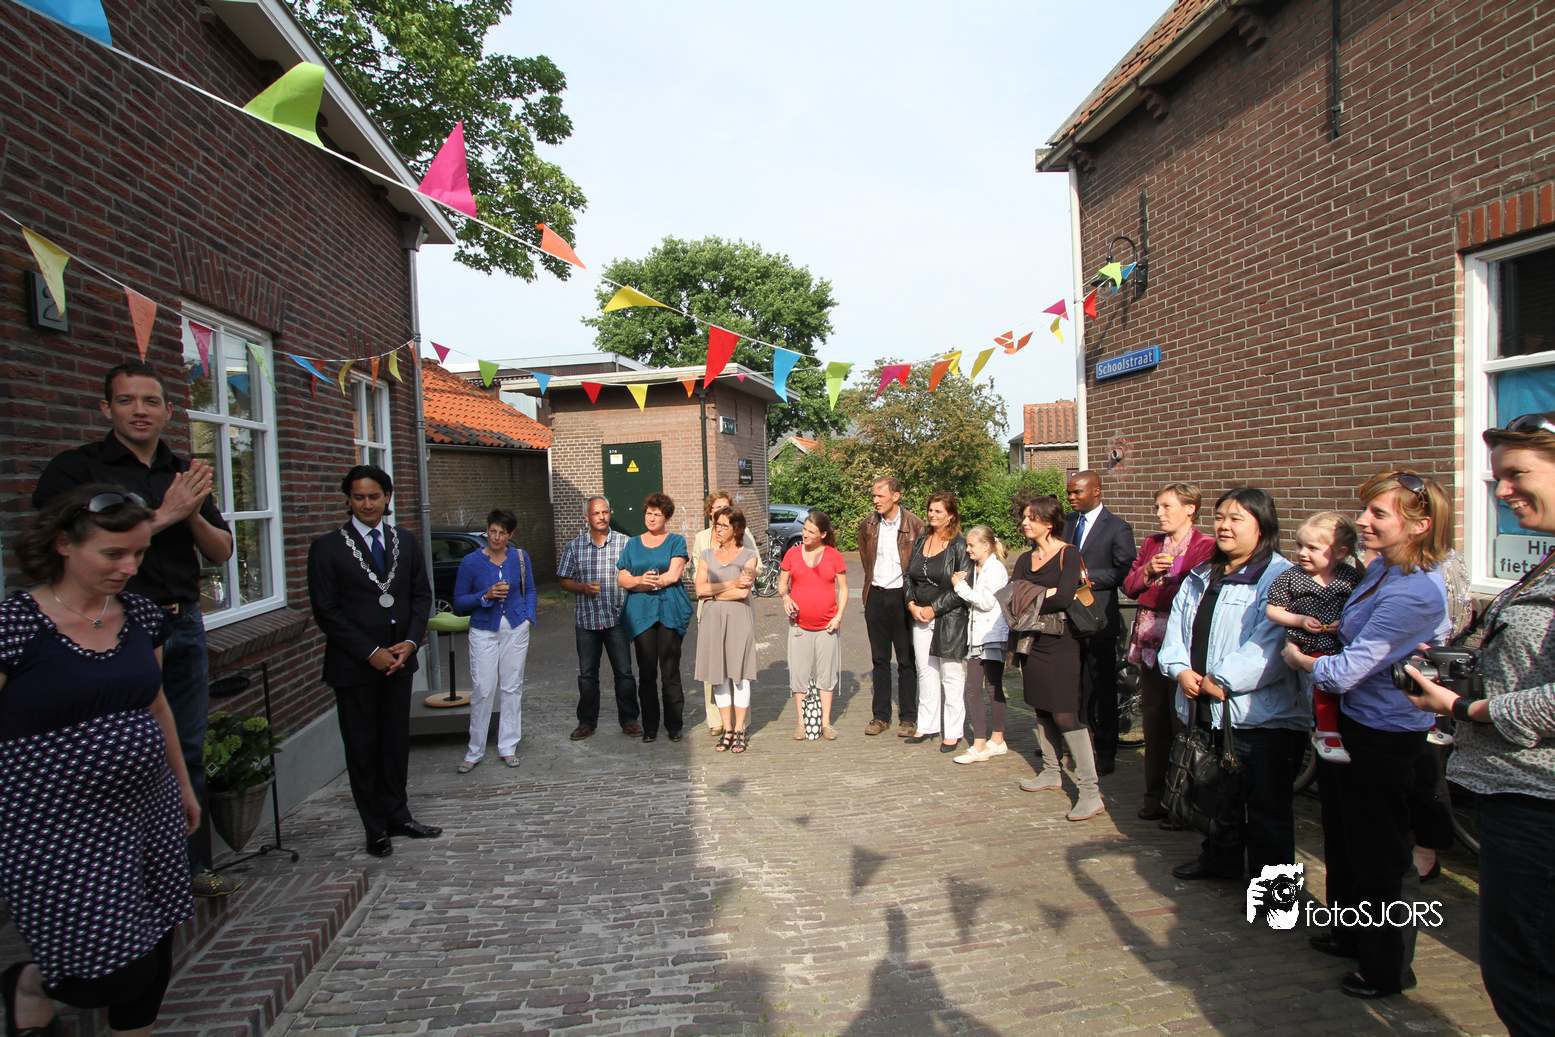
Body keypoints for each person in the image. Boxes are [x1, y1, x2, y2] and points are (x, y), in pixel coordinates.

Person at [32, 361, 235, 897]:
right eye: (126, 401)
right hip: (110, 629)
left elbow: (222, 550)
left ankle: (188, 866)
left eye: (150, 401)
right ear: (107, 408)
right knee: (117, 753)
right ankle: (123, 875)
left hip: (182, 621)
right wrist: (164, 514)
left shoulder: (182, 472)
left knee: (186, 747)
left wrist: (191, 512)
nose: (139, 411)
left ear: (168, 410)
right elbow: (57, 539)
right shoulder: (76, 470)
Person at [0, 486, 198, 1036]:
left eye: (138, 553)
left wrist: (182, 785)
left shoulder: (141, 616)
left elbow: (157, 704)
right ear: (64, 544)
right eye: (113, 554)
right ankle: (29, 983)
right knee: (105, 972)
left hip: (147, 807)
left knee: (155, 945)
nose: (129, 568)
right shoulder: (14, 625)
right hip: (52, 825)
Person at [1400, 413, 1555, 1035]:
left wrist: (1466, 709)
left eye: (1517, 474)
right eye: (1498, 477)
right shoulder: (1545, 564)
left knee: (1526, 978)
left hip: (1538, 798)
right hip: (1513, 791)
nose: (1502, 490)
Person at [1284, 471, 1452, 1000]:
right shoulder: (1381, 568)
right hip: (1352, 723)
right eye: (1366, 510)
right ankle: (1349, 933)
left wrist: (1302, 661)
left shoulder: (1416, 591)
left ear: (1420, 525)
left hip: (1385, 734)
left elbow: (1348, 669)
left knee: (1382, 853)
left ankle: (1386, 966)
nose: (1362, 521)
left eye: (1378, 513)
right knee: (1344, 837)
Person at [1160, 486, 1306, 884]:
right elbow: (1178, 628)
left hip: (1259, 716)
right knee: (1215, 794)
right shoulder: (1201, 574)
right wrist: (1179, 669)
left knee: (1267, 810)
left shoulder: (1281, 578)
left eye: (1236, 519)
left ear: (1262, 526)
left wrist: (1221, 680)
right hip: (1205, 704)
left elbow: (1270, 645)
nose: (1224, 526)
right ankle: (1219, 860)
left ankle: (1276, 902)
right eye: (1220, 517)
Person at [306, 465, 440, 858]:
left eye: (374, 496)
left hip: (400, 662)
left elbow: (420, 596)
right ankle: (374, 826)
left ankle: (398, 814)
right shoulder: (327, 547)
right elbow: (327, 611)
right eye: (359, 497)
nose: (367, 504)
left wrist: (410, 643)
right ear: (348, 499)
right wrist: (370, 652)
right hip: (355, 667)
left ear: (387, 498)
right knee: (362, 747)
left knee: (395, 744)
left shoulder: (406, 541)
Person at [1122, 482, 1217, 824]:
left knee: (1183, 724)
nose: (1159, 513)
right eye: (1157, 507)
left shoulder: (1206, 547)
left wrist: (1155, 589)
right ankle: (1154, 797)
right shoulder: (1151, 544)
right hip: (1150, 645)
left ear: (1190, 509)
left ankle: (1183, 804)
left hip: (1184, 648)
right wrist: (1148, 571)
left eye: (1166, 506)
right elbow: (1130, 587)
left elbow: (1191, 597)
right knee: (1154, 721)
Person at [1011, 495, 1102, 821]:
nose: (1025, 523)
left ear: (1049, 523)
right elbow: (1011, 596)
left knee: (1065, 713)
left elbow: (1064, 598)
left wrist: (1031, 595)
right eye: (1024, 517)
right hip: (1031, 642)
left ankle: (1090, 792)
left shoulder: (1068, 553)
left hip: (1061, 643)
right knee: (1041, 707)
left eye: (1031, 518)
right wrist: (1041, 594)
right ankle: (1051, 771)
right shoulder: (1025, 558)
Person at [1265, 512, 1365, 764]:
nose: (1302, 553)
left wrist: (1344, 623)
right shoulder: (1292, 577)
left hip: (1342, 642)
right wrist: (1299, 620)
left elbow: (1360, 608)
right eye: (1299, 545)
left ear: (1340, 552)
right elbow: (1273, 610)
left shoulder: (1350, 578)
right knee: (1324, 678)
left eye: (1312, 548)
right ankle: (1327, 731)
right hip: (1310, 643)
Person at [1064, 470, 1138, 775]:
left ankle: (1106, 749)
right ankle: (1075, 745)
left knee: (1102, 684)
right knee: (1072, 682)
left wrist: (1090, 578)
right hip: (1068, 615)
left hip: (1099, 617)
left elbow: (1126, 571)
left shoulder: (1117, 528)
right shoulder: (1067, 523)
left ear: (1096, 492)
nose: (1071, 498)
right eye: (1069, 493)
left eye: (1077, 492)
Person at [452, 508, 537, 772]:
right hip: (483, 630)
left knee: (511, 687)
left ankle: (508, 746)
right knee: (483, 689)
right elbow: (458, 601)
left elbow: (530, 589)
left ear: (510, 534)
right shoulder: (471, 562)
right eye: (492, 531)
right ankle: (475, 750)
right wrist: (484, 596)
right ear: (487, 530)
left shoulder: (520, 557)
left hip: (515, 626)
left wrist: (528, 616)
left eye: (502, 533)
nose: (496, 537)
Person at [557, 496, 641, 741]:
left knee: (624, 673)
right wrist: (581, 587)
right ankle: (586, 723)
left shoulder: (625, 543)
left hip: (616, 619)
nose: (601, 517)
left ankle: (629, 720)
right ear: (587, 517)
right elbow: (563, 580)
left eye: (605, 512)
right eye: (596, 513)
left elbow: (635, 576)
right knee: (587, 675)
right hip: (587, 621)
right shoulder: (574, 547)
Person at [617, 493, 692, 742]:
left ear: (666, 518)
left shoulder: (676, 541)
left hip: (669, 610)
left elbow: (673, 575)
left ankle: (674, 725)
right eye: (648, 513)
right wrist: (639, 580)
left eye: (657, 514)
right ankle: (650, 726)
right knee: (646, 671)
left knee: (670, 670)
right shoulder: (632, 544)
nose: (651, 518)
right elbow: (622, 578)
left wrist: (644, 584)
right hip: (641, 614)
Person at [687, 490, 761, 739]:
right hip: (712, 619)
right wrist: (730, 584)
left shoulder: (748, 556)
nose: (717, 528)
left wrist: (714, 593)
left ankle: (739, 729)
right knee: (717, 675)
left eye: (723, 525)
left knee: (739, 675)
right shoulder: (706, 554)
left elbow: (743, 593)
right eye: (716, 523)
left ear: (735, 529)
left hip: (738, 618)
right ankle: (726, 728)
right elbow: (700, 590)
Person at [858, 477, 926, 737]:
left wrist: (914, 598)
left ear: (896, 496)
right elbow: (866, 559)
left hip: (903, 598)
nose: (876, 501)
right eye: (874, 496)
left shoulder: (915, 525)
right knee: (879, 659)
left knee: (906, 659)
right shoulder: (868, 525)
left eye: (880, 496)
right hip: (876, 595)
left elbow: (920, 564)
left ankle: (908, 717)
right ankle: (880, 716)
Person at [904, 492, 971, 752]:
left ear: (950, 516)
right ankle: (927, 725)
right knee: (925, 671)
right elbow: (908, 575)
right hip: (920, 615)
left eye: (938, 511)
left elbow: (962, 589)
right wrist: (912, 604)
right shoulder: (922, 538)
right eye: (930, 510)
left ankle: (952, 731)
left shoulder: (960, 545)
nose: (932, 515)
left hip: (949, 618)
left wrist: (934, 609)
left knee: (951, 675)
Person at [779, 509, 848, 741]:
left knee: (826, 675)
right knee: (799, 674)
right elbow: (782, 584)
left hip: (828, 626)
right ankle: (801, 723)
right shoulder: (792, 553)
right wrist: (786, 598)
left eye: (811, 531)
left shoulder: (834, 556)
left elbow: (844, 589)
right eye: (804, 529)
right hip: (799, 625)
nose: (805, 534)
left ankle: (826, 723)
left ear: (823, 534)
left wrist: (838, 618)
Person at [949, 525, 1010, 764]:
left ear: (986, 546)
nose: (968, 549)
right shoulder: (978, 568)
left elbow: (986, 602)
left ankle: (990, 741)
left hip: (991, 636)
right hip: (978, 635)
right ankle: (986, 741)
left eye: (972, 545)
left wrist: (960, 587)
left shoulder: (995, 569)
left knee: (989, 687)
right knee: (975, 687)